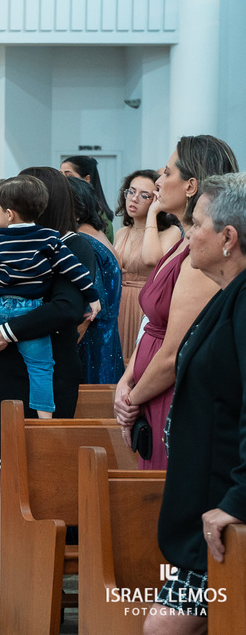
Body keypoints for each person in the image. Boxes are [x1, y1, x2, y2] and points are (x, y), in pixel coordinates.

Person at [0, 165, 96, 628]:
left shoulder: (67, 247)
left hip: (44, 374)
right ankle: (7, 587)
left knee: (37, 483)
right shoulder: (4, 244)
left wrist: (7, 330)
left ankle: (41, 582)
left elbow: (68, 307)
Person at [147, 173, 246, 632]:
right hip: (207, 499)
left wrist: (239, 499)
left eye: (197, 223)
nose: (187, 233)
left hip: (224, 506)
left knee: (164, 627)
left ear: (229, 237)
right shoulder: (227, 295)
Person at [114, 135, 238, 470]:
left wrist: (132, 399)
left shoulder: (201, 258)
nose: (157, 181)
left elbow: (174, 353)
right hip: (149, 390)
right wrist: (127, 379)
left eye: (167, 173)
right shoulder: (183, 244)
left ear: (190, 185)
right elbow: (152, 327)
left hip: (169, 394)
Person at [0, 175, 101, 415]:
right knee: (41, 367)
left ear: (9, 213)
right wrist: (93, 295)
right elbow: (75, 270)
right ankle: (44, 417)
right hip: (28, 307)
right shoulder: (49, 239)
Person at [112, 169, 182, 364]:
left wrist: (152, 213)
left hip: (144, 306)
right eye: (131, 192)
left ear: (157, 199)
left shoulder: (171, 232)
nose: (134, 199)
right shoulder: (122, 232)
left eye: (144, 196)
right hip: (118, 304)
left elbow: (151, 259)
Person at [68, 176, 125, 384]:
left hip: (92, 339)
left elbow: (90, 309)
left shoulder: (84, 241)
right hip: (107, 336)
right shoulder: (99, 234)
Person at [61, 154, 115, 241]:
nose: (63, 180)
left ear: (87, 179)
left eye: (69, 176)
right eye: (61, 175)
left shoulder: (101, 217)